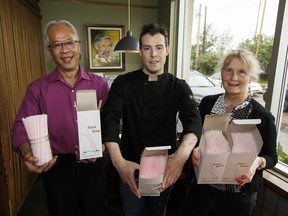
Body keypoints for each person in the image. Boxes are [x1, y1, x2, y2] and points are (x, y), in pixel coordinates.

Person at [101, 22, 202, 215]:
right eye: (147, 48)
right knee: (132, 211)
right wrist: (118, 162)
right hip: (130, 166)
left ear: (167, 50)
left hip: (164, 168)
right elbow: (110, 118)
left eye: (158, 47)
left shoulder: (179, 87)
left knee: (158, 212)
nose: (153, 54)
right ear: (140, 51)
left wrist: (180, 157)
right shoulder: (123, 83)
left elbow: (193, 119)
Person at [12, 20, 109, 216]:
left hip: (93, 164)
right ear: (50, 51)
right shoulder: (37, 88)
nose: (65, 50)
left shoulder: (99, 85)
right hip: (57, 167)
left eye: (70, 42)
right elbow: (20, 128)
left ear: (79, 46)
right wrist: (26, 152)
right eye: (57, 44)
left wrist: (103, 146)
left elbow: (110, 123)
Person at [180, 49, 278, 216]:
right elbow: (197, 135)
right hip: (203, 188)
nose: (233, 78)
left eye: (241, 72)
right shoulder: (207, 103)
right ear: (222, 74)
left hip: (237, 197)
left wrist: (256, 162)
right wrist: (196, 148)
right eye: (228, 70)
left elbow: (271, 157)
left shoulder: (262, 116)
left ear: (251, 78)